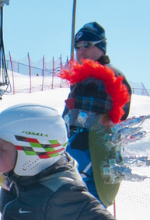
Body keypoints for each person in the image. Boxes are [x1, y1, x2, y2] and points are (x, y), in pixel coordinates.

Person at [60, 22, 133, 207]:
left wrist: (86, 131)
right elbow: (71, 115)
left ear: (101, 46)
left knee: (89, 203)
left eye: (87, 45)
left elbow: (116, 118)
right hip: (75, 145)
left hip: (94, 150)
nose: (81, 51)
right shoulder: (82, 77)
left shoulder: (110, 76)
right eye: (77, 46)